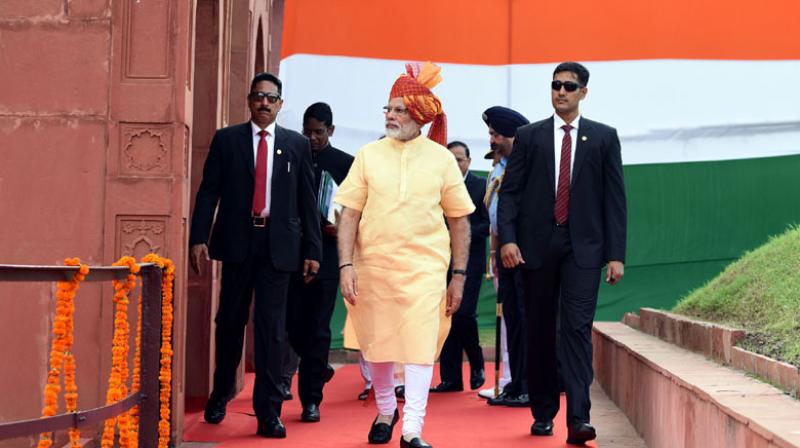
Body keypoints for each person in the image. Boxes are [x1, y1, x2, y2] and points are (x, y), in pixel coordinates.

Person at [335, 62, 474, 448]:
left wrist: (459, 275)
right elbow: (349, 214)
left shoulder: (442, 159)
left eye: (399, 109)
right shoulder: (368, 155)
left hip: (424, 270)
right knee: (378, 345)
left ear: (419, 116)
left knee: (418, 345)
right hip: (373, 267)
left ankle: (412, 428)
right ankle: (385, 409)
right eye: (388, 108)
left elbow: (459, 221)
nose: (390, 115)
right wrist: (345, 265)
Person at [498, 61, 627, 445]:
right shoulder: (529, 136)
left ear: (583, 92)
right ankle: (542, 411)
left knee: (576, 329)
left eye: (569, 86)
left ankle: (578, 418)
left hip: (583, 249)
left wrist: (616, 254)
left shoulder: (604, 137)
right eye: (556, 85)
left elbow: (614, 200)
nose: (561, 92)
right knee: (540, 329)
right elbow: (510, 194)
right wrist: (508, 240)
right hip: (536, 249)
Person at [189, 72, 322, 439]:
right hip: (237, 242)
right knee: (229, 322)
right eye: (259, 97)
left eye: (271, 98)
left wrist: (313, 249)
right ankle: (221, 393)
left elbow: (307, 200)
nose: (265, 103)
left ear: (280, 104)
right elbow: (208, 191)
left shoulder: (296, 144)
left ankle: (269, 411)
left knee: (272, 329)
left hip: (279, 247)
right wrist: (198, 237)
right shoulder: (227, 140)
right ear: (249, 101)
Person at [284, 102, 354, 422]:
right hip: (292, 255)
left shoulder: (346, 164)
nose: (312, 138)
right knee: (291, 324)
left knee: (319, 328)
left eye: (319, 132)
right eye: (307, 132)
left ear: (331, 130)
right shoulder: (291, 156)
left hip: (327, 256)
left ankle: (311, 400)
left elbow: (359, 210)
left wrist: (342, 229)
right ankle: (319, 365)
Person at [481, 106, 531, 408]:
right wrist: (495, 253)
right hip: (504, 254)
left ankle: (529, 385)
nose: (493, 140)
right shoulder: (499, 167)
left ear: (514, 136)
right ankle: (516, 382)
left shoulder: (529, 167)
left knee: (526, 320)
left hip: (524, 253)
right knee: (512, 319)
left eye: (497, 135)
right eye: (491, 134)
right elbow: (495, 215)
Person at [430, 141, 489, 393]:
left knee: (464, 313)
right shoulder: (437, 186)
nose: (455, 164)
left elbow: (487, 224)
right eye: (450, 159)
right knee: (445, 316)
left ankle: (476, 362)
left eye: (459, 159)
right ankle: (451, 378)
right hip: (440, 260)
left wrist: (460, 233)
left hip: (470, 261)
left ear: (469, 161)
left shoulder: (480, 186)